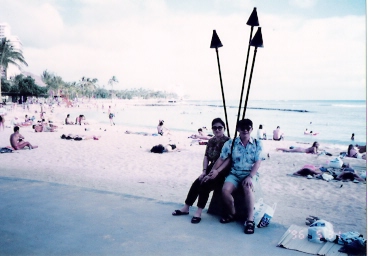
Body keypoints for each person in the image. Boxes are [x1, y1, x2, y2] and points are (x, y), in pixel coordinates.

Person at [202, 118, 262, 234]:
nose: (245, 130)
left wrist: (250, 176)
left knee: (248, 188)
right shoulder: (231, 143)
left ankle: (250, 220)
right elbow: (222, 158)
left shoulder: (257, 143)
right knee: (225, 190)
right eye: (242, 128)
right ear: (238, 129)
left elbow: (258, 162)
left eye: (248, 128)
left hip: (249, 173)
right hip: (234, 173)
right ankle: (232, 213)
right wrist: (212, 171)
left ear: (251, 129)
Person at [172, 118, 230, 224]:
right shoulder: (211, 141)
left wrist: (214, 172)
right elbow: (206, 157)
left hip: (222, 170)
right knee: (197, 182)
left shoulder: (228, 141)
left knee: (205, 185)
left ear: (224, 128)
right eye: (215, 128)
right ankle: (186, 207)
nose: (217, 130)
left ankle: (198, 212)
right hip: (211, 167)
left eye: (219, 127)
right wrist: (204, 171)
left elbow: (227, 159)